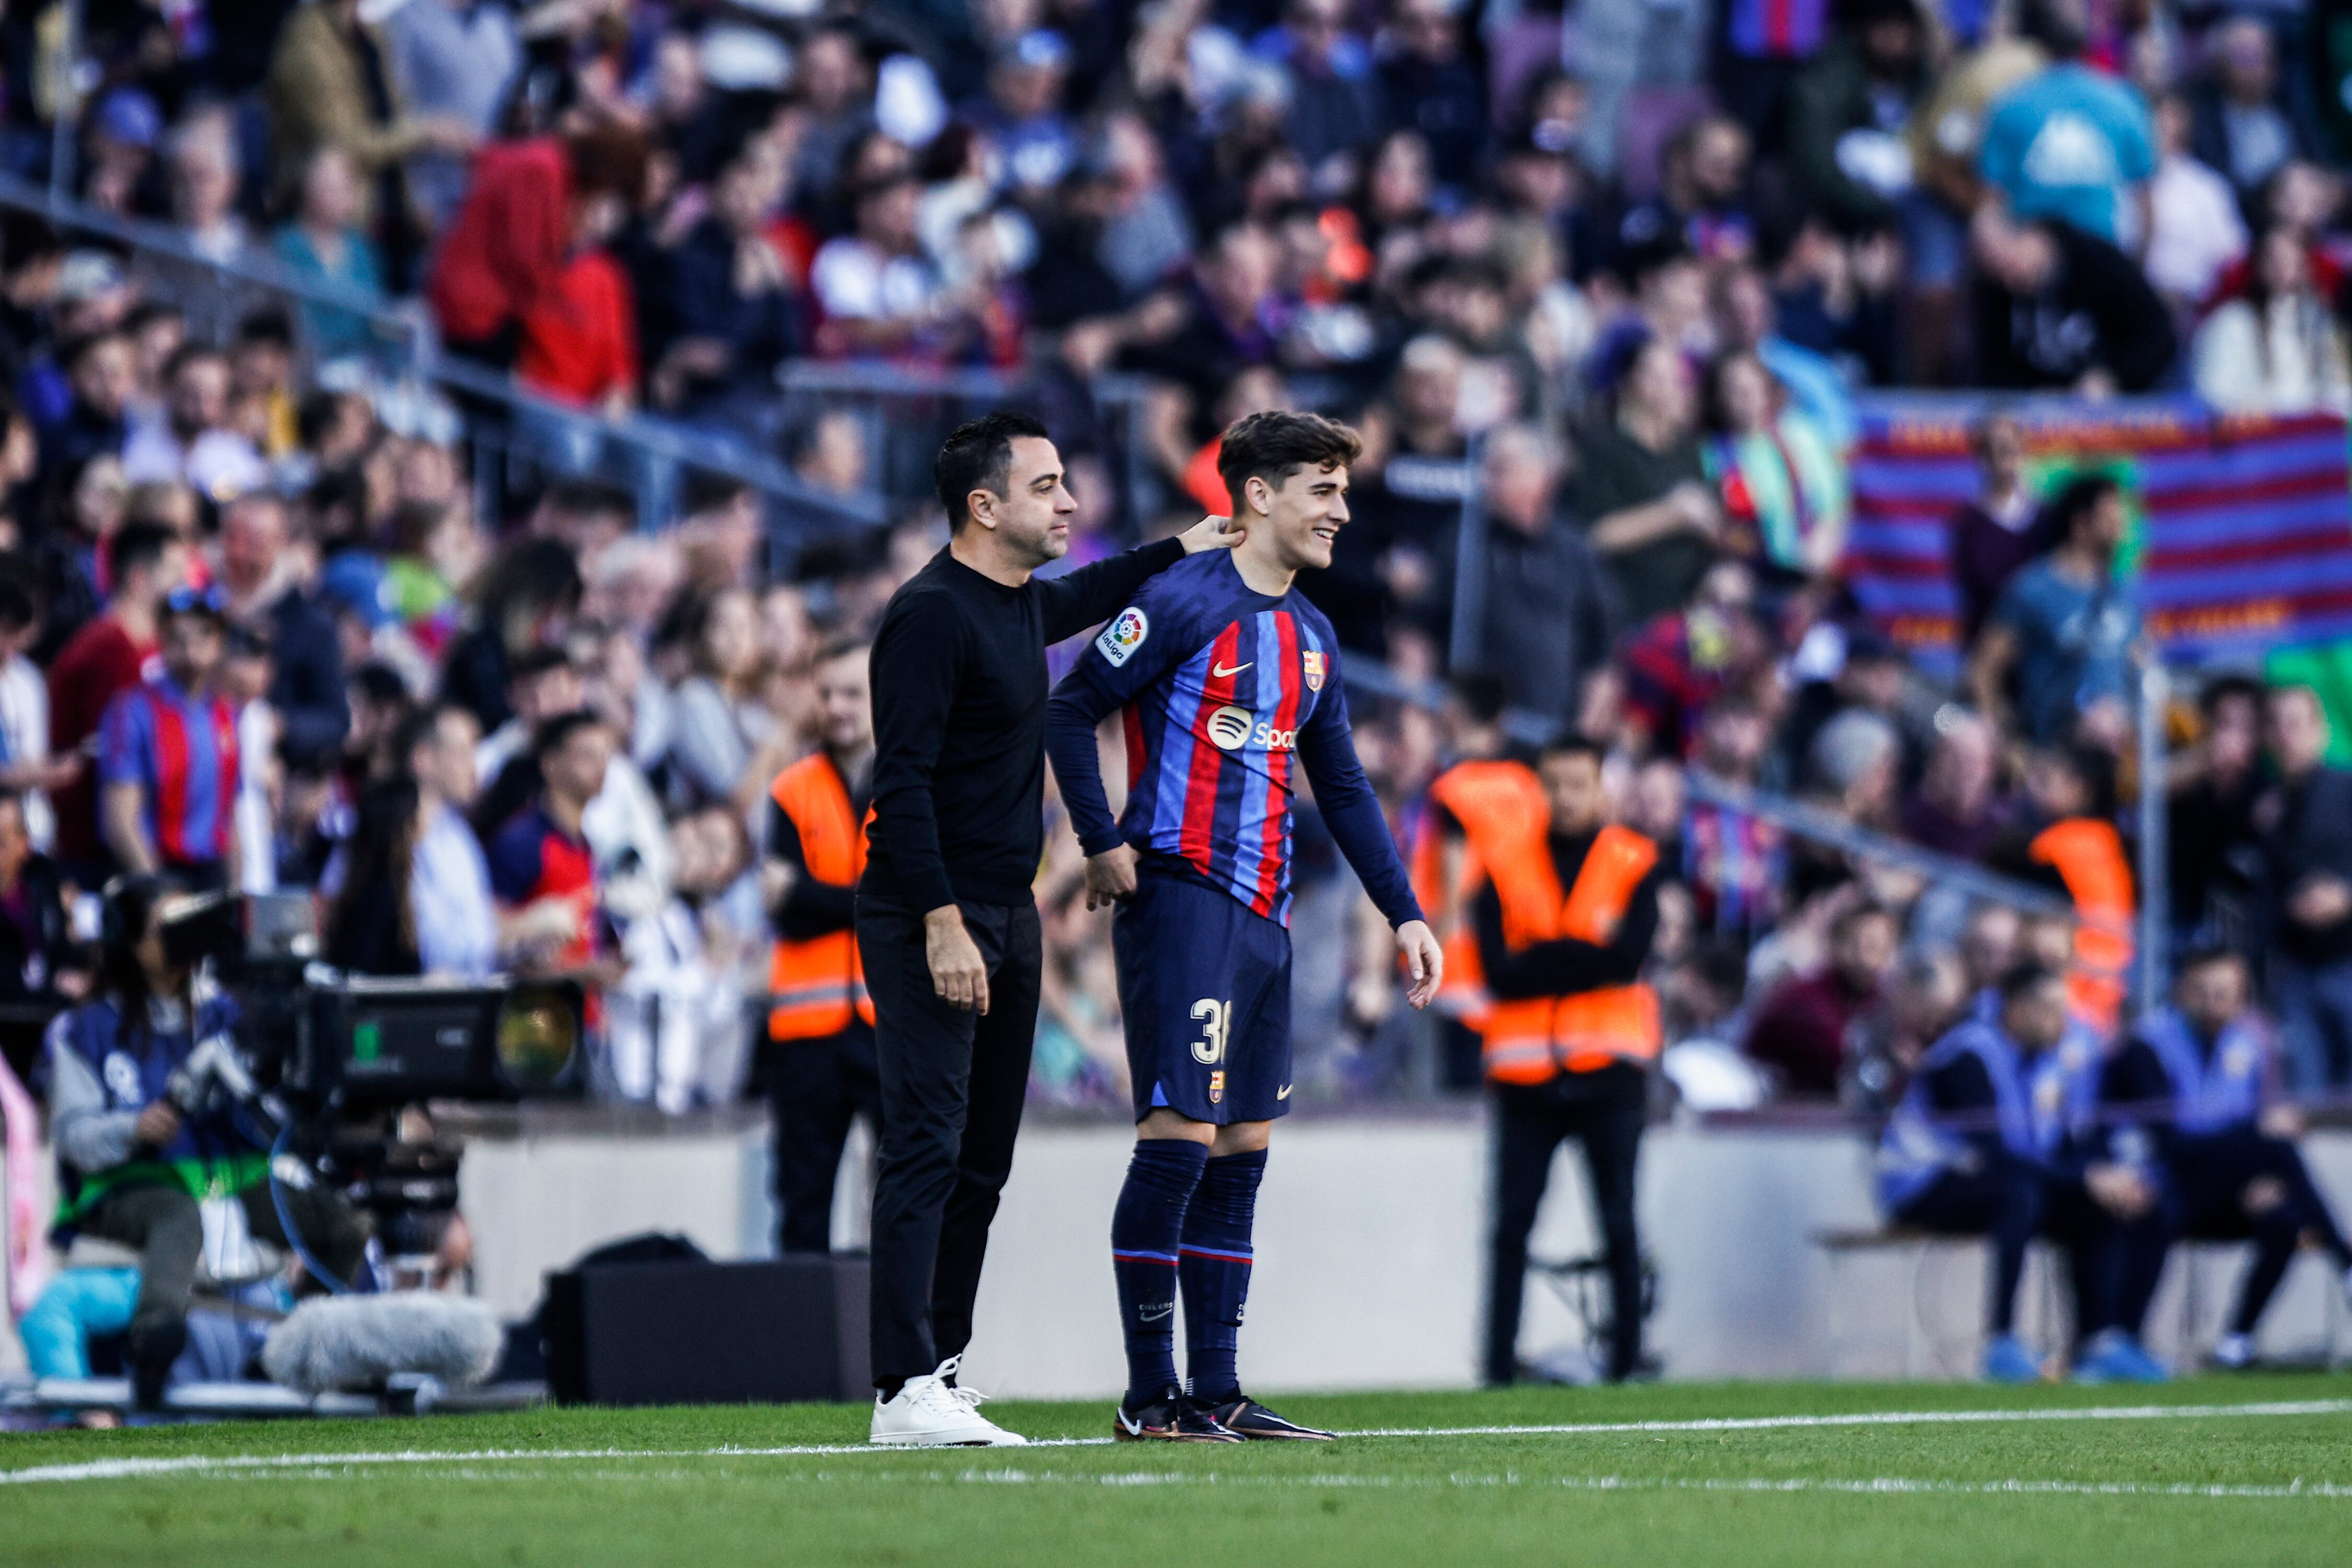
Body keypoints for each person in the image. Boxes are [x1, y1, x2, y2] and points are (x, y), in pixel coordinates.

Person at [1046, 410, 1442, 1440]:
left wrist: (1404, 911)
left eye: (1345, 491)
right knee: (1178, 1140)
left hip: (1268, 914)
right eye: (1324, 490)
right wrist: (1100, 838)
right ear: (1258, 495)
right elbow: (1069, 708)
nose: (1341, 512)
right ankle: (1149, 1398)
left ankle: (1216, 1390)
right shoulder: (1181, 600)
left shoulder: (1312, 635)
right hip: (1182, 899)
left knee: (1242, 1151)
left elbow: (1343, 785)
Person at [857, 412, 1236, 1447]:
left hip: (1008, 908)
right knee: (926, 1147)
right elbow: (901, 786)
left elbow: (1093, 589)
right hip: (932, 911)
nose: (1069, 502)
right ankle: (900, 1388)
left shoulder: (1019, 602)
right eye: (1046, 486)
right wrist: (941, 922)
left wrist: (1186, 545)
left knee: (982, 1158)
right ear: (984, 507)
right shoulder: (929, 615)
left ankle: (938, 1370)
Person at [41, 874, 369, 1406]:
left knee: (342, 1224)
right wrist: (133, 1128)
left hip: (226, 1179)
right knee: (178, 1217)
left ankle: (295, 1347)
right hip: (132, 1186)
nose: (183, 939)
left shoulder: (227, 1015)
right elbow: (73, 1136)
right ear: (129, 940)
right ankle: (153, 1345)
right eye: (167, 928)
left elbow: (275, 1104)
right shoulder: (87, 1029)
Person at [1466, 734, 1665, 1386]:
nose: (1565, 797)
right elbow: (1498, 973)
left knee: (1618, 1222)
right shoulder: (1503, 862)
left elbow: (1626, 959)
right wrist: (1583, 954)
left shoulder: (1633, 859)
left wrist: (1543, 955)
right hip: (1525, 1080)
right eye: (1553, 784)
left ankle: (1626, 1362)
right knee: (1510, 1227)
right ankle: (1497, 1367)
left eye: (1578, 783)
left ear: (1602, 787)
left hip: (1610, 1074)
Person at [1876, 961, 2172, 1384]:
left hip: (1996, 1181)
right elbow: (1995, 1155)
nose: (2062, 1021)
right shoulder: (1967, 1058)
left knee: (2104, 1205)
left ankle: (2100, 1343)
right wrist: (2084, 1178)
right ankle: (2001, 1342)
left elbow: (2059, 1147)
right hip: (1921, 1186)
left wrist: (2105, 1178)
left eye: (2064, 1009)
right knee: (2019, 1194)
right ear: (2016, 1011)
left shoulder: (2047, 1065)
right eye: (2050, 1009)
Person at [2102, 948, 2352, 1368]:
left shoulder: (2249, 1043)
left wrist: (2256, 1177)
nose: (2214, 1003)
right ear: (2182, 991)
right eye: (2203, 992)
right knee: (2272, 1143)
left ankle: (2236, 1342)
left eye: (2225, 994)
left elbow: (2254, 1118)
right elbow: (2170, 1144)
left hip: (2223, 1186)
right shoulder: (2148, 1046)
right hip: (2164, 1182)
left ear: (2241, 996)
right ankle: (2345, 1261)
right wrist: (2252, 1145)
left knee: (2284, 1218)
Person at [766, 639, 880, 1254]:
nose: (836, 707)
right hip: (807, 1033)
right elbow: (785, 911)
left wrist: (811, 893)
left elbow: (915, 898)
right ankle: (798, 1321)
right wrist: (871, 901)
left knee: (903, 1201)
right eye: (827, 693)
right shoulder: (792, 788)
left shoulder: (915, 779)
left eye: (852, 693)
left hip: (888, 1026)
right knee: (802, 1206)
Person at [1411, 676, 1549, 1091]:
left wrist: (1431, 950)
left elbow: (1456, 882)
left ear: (1456, 711)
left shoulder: (1455, 789)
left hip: (1461, 955)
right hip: (1519, 948)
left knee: (1453, 1090)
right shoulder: (1528, 784)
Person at [49, 521, 187, 879]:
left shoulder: (149, 647)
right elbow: (107, 751)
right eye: (174, 571)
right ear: (139, 578)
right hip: (96, 851)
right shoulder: (107, 650)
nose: (185, 582)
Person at [1966, 473, 2136, 748]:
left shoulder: (2122, 594)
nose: (2121, 523)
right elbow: (1983, 671)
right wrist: (2006, 746)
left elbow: (2140, 665)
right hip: (2055, 753)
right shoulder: (2033, 590)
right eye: (2110, 515)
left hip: (2119, 755)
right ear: (2081, 524)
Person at [97, 586, 241, 891]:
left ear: (219, 642)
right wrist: (158, 889)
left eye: (204, 635)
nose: (190, 649)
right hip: (157, 871)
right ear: (161, 639)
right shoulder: (133, 710)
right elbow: (120, 818)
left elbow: (230, 816)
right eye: (178, 637)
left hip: (210, 871)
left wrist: (236, 891)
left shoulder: (226, 715)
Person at [1967, 205, 2176, 394]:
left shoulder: (2099, 263)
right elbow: (1995, 366)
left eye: (2010, 264)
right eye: (1998, 273)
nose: (2009, 281)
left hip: (2120, 405)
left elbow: (2157, 337)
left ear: (2031, 235)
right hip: (2040, 412)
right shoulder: (1995, 289)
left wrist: (2112, 378)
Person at [2257, 683, 2352, 1091]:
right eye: (2275, 725)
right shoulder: (2266, 804)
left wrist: (2346, 897)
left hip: (2346, 960)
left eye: (2295, 724)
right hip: (2295, 971)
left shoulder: (2346, 789)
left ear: (2320, 731)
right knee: (2306, 1096)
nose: (2285, 736)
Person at [487, 710, 615, 984]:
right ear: (550, 764)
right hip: (536, 1008)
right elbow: (492, 939)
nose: (601, 767)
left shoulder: (585, 844)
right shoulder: (521, 841)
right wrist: (579, 972)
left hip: (582, 1005)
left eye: (605, 756)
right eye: (587, 756)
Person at [1743, 900, 1899, 1099]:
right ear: (1836, 943)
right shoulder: (1802, 999)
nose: (1869, 960)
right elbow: (1839, 1059)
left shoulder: (1882, 1001)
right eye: (1865, 946)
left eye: (1881, 948)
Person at [399, 702, 499, 979]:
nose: (473, 768)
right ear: (423, 759)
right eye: (463, 753)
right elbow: (428, 945)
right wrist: (518, 928)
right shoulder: (390, 836)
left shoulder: (460, 837)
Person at [1946, 410, 2052, 647]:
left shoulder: (2047, 517)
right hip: (1989, 643)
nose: (2001, 454)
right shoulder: (1969, 524)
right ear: (1981, 455)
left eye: (2009, 446)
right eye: (1992, 447)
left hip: (2040, 645)